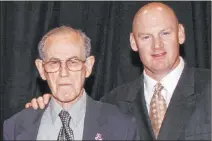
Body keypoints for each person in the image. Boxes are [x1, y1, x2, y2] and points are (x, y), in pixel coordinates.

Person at [25, 2, 211, 140]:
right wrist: (53, 107)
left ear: (181, 34)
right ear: (133, 42)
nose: (157, 45)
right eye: (146, 37)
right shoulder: (112, 104)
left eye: (165, 33)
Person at [3, 26, 139, 140]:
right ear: (41, 69)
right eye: (54, 63)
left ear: (89, 66)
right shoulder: (15, 127)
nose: (64, 73)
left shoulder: (121, 126)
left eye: (73, 62)